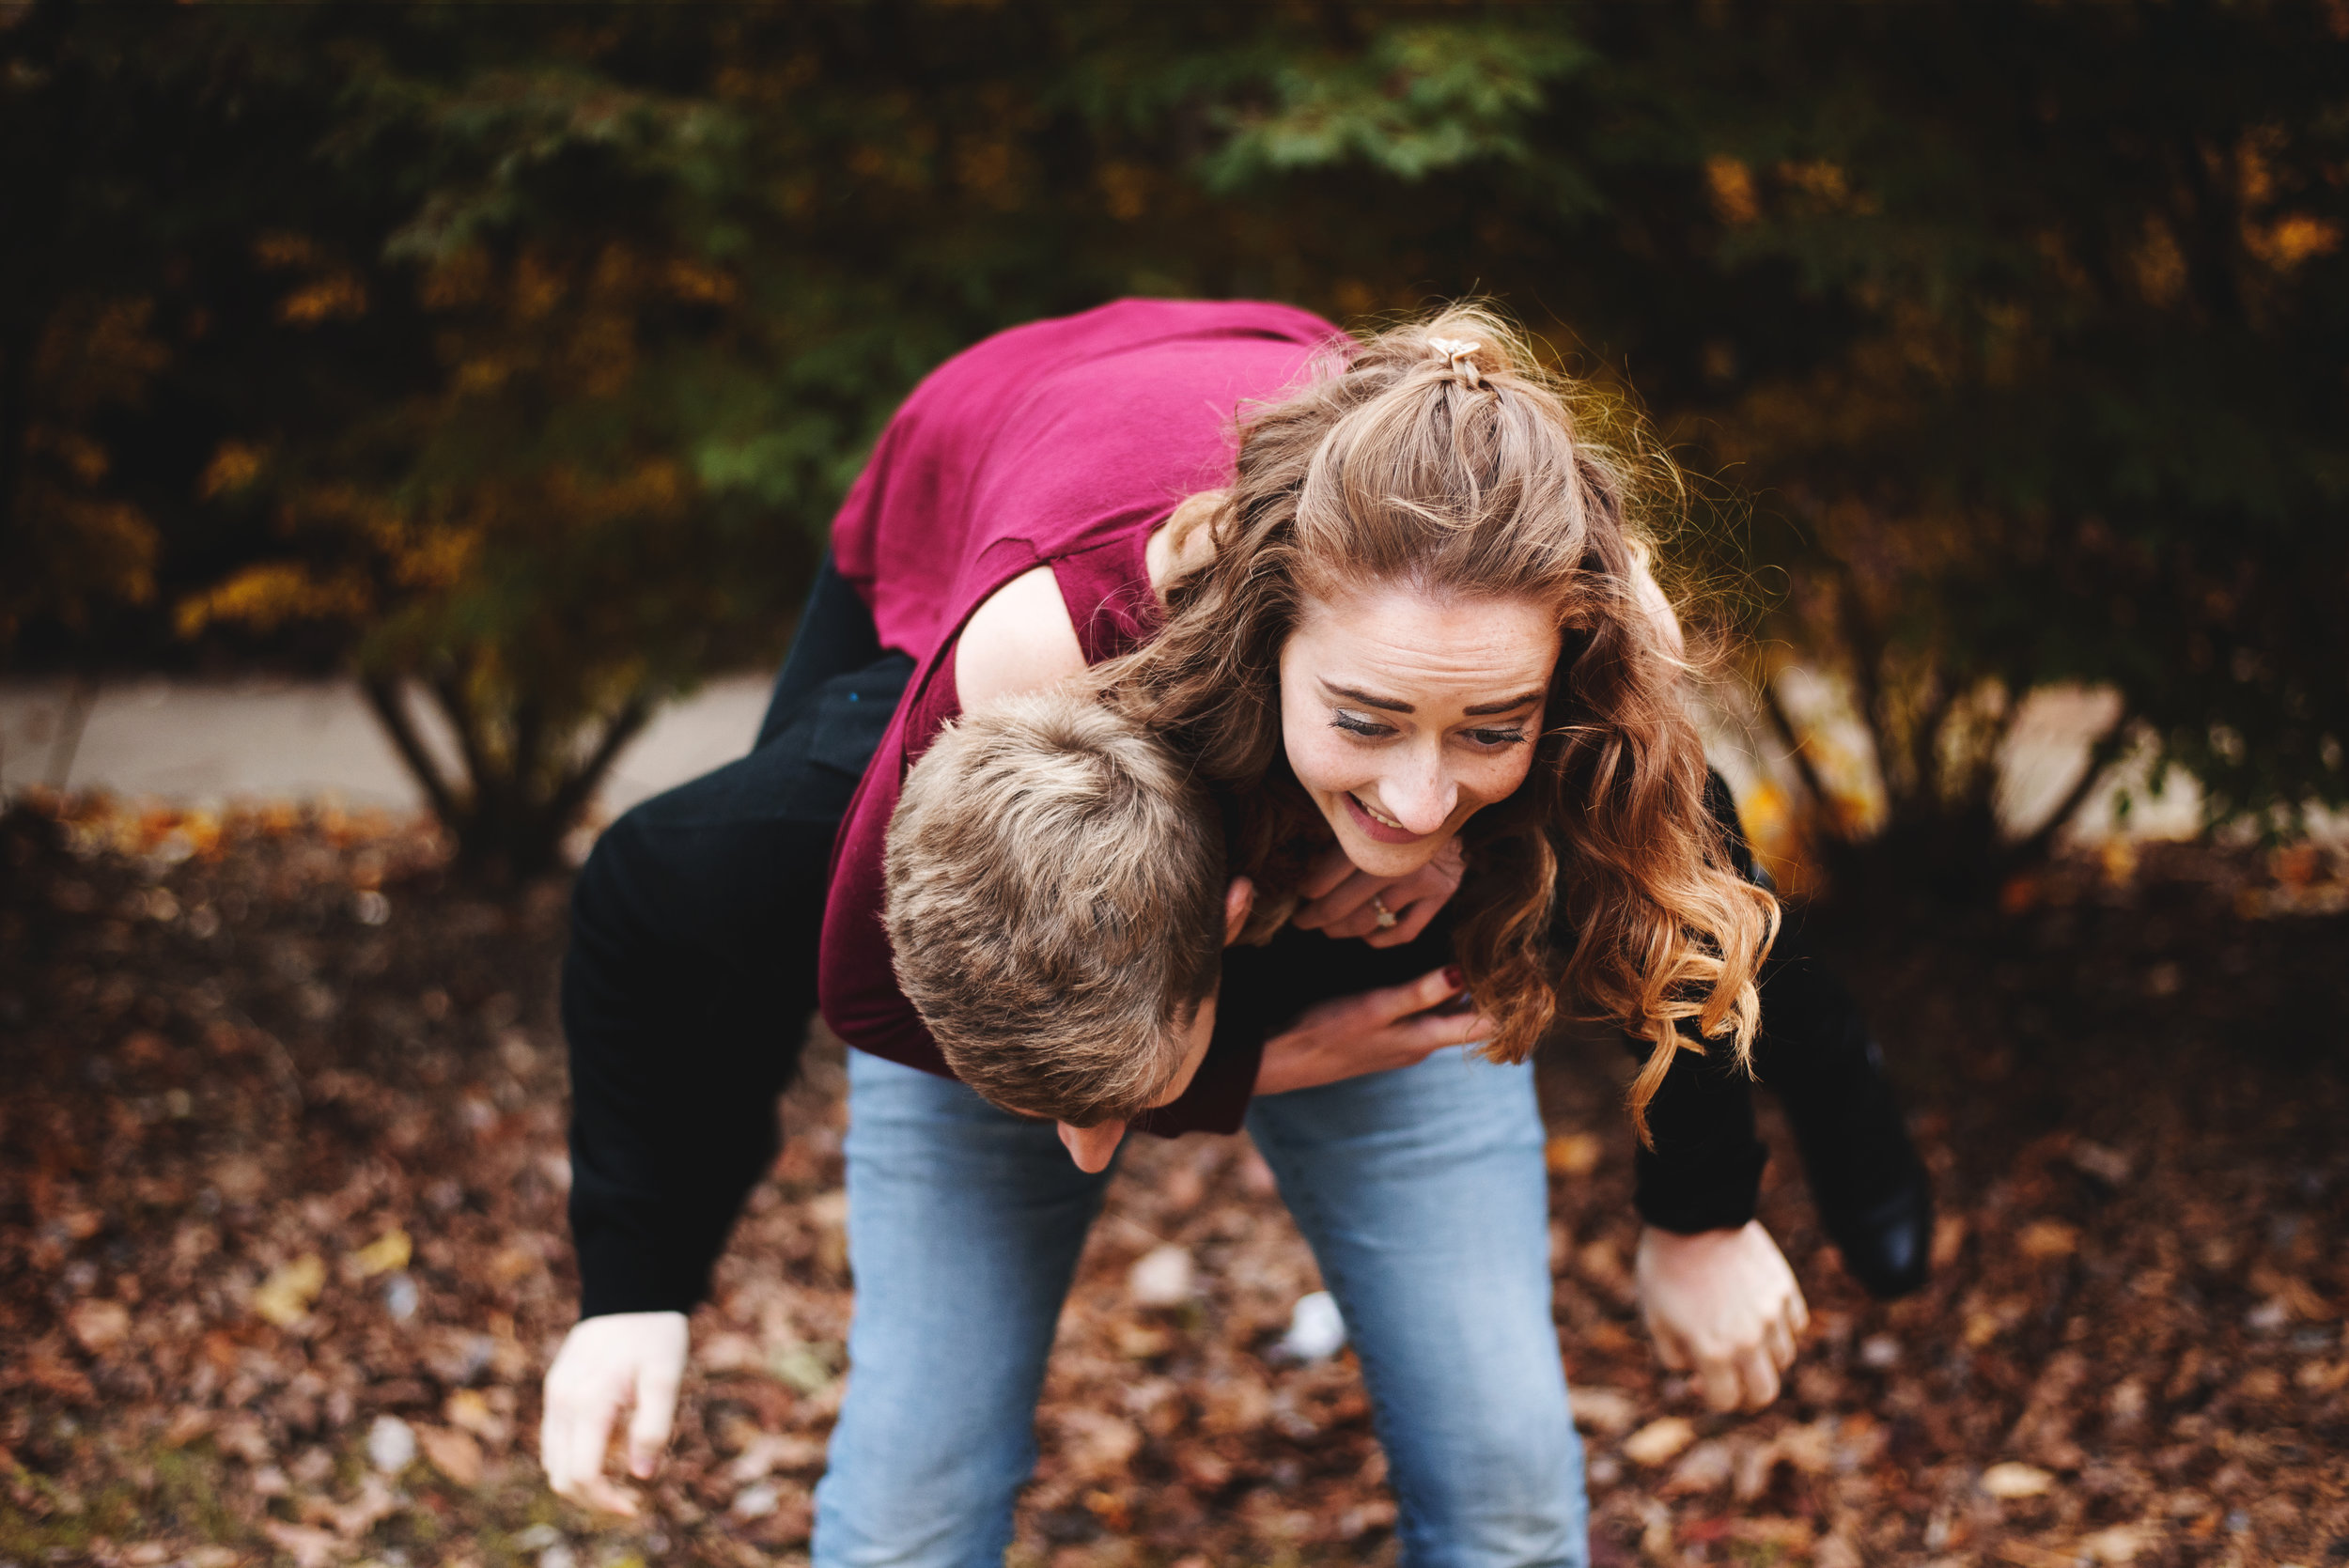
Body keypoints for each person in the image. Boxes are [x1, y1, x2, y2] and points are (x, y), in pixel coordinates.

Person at [540, 299, 1931, 1562]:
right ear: (1267, 640)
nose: (1416, 795)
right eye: (1366, 721)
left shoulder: (1571, 621)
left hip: (1328, 692)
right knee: (914, 1493)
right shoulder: (1040, 671)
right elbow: (677, 911)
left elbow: (1687, 894)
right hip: (1006, 453)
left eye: (1487, 730)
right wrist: (637, 1282)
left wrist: (1705, 1210)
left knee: (1509, 1485)